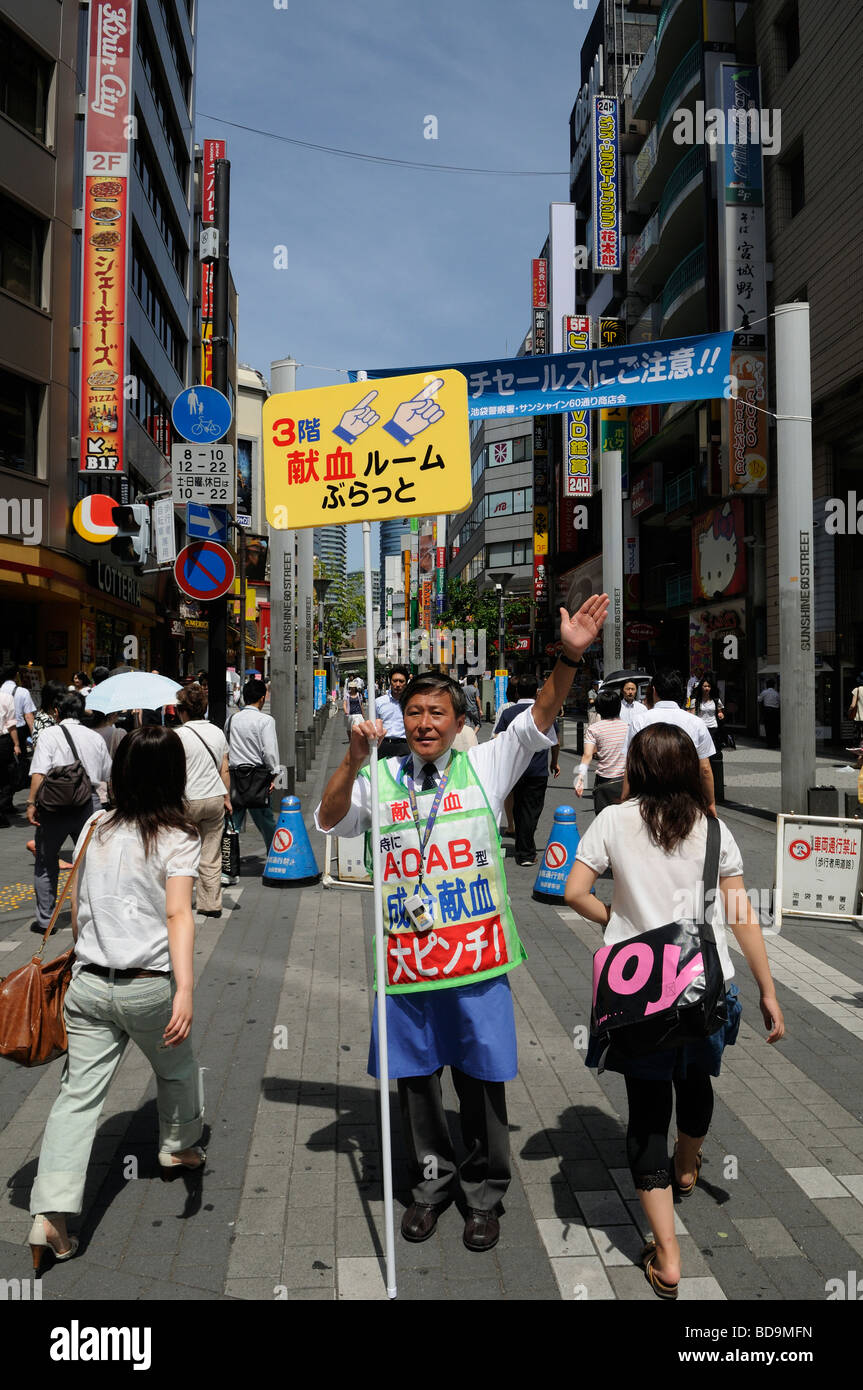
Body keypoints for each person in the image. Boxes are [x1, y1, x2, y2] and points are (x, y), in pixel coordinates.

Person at [316, 594, 609, 1252]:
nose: (424, 723)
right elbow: (331, 821)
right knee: (417, 1088)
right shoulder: (382, 775)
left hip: (475, 963)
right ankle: (428, 1188)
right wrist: (347, 762)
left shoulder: (485, 764)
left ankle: (482, 1196)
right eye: (414, 712)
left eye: (436, 713)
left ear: (456, 721)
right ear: (403, 719)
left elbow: (541, 715)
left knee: (479, 1085)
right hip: (407, 967)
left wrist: (568, 655)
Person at [565, 724, 784, 1299]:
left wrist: (614, 921)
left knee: (645, 1112)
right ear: (690, 769)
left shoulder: (613, 821)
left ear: (636, 768)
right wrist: (767, 989)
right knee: (696, 1079)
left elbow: (573, 891)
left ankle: (667, 1255)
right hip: (709, 989)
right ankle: (688, 1168)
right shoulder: (715, 829)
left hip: (640, 997)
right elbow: (741, 915)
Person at [27, 726, 205, 1271]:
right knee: (175, 1067)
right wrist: (186, 989)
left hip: (87, 984)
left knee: (76, 1098)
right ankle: (176, 1147)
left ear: (120, 774)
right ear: (172, 777)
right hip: (148, 985)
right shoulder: (179, 836)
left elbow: (79, 907)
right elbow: (178, 914)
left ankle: (51, 1215)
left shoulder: (93, 828)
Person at [26, 693, 112, 936]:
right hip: (89, 804)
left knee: (46, 860)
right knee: (92, 861)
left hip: (53, 806)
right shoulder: (94, 737)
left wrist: (31, 802)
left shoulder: (49, 735)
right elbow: (107, 772)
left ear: (56, 712)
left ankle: (45, 921)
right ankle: (94, 915)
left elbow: (39, 773)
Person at [625, 670, 716, 812]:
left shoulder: (640, 721)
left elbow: (630, 765)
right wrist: (710, 803)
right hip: (686, 802)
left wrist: (625, 799)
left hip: (647, 800)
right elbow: (705, 768)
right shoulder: (696, 722)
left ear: (654, 690)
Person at [176, 683, 231, 916]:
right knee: (211, 853)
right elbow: (225, 769)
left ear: (184, 710)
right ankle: (210, 904)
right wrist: (227, 797)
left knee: (182, 852)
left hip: (187, 800)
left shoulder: (178, 736)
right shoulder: (217, 732)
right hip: (214, 797)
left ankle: (180, 902)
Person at [494, 674, 560, 865]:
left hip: (514, 769)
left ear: (516, 692)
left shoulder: (509, 713)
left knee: (518, 807)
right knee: (532, 810)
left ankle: (524, 845)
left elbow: (498, 739)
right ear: (537, 692)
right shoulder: (545, 713)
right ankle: (526, 852)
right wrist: (554, 762)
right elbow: (554, 742)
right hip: (538, 770)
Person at [226, 675, 279, 854]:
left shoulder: (231, 720)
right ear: (262, 698)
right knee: (267, 822)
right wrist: (274, 773)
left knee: (232, 824)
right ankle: (275, 858)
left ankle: (228, 865)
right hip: (257, 778)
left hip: (234, 777)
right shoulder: (266, 721)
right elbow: (269, 752)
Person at [575, 688, 628, 813]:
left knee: (603, 822)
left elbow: (587, 755)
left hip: (604, 782)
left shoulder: (594, 729)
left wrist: (580, 779)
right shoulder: (628, 727)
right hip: (625, 781)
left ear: (598, 709)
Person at [376, 666, 410, 758]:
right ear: (390, 681)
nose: (398, 684)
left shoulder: (411, 703)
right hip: (384, 746)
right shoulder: (379, 702)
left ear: (406, 683)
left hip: (405, 746)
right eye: (395, 681)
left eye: (401, 681)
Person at [0, 680, 20, 827]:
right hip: (3, 741)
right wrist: (16, 744)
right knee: (5, 777)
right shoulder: (6, 698)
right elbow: (11, 724)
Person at [758, 679, 780, 749]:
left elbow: (759, 700)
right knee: (775, 727)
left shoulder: (764, 692)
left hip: (767, 711)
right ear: (774, 686)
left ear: (767, 685)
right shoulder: (776, 693)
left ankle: (769, 744)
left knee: (768, 727)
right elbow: (780, 702)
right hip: (775, 711)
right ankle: (775, 743)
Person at [847, 674, 863, 752]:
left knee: (858, 739)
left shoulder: (857, 690)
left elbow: (852, 705)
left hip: (859, 719)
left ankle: (859, 759)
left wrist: (849, 712)